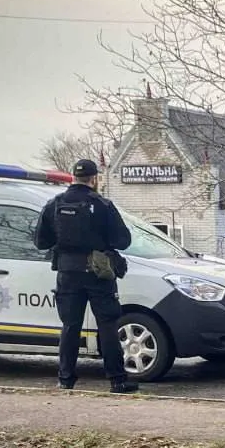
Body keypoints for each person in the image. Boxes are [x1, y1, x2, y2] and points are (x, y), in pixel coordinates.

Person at [34, 158, 137, 394]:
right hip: (98, 273)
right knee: (107, 325)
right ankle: (118, 381)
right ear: (95, 179)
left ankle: (65, 379)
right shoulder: (102, 205)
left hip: (67, 272)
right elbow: (123, 240)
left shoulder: (55, 204)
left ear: (73, 177)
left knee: (70, 326)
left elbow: (41, 241)